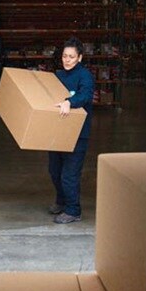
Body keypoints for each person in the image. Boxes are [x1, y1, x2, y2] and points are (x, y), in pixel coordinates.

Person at [48, 36, 94, 224]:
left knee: (69, 174)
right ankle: (61, 201)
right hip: (57, 131)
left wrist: (70, 102)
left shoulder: (85, 76)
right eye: (65, 56)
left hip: (77, 134)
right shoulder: (58, 76)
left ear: (80, 58)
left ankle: (73, 210)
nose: (67, 60)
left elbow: (85, 95)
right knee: (54, 170)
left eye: (71, 56)